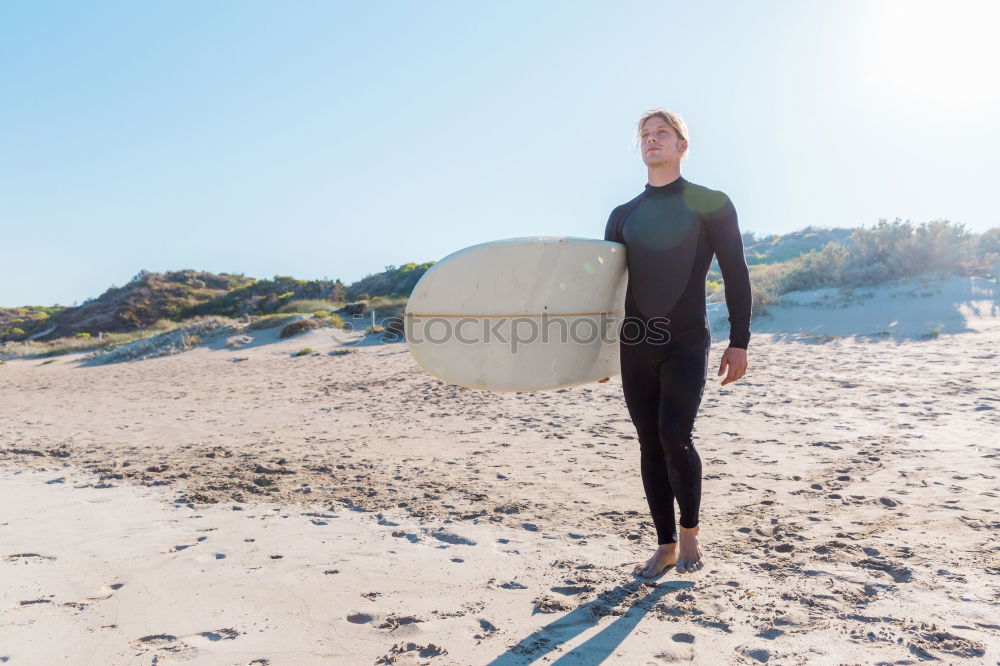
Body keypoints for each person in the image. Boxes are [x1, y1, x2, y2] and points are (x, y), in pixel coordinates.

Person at [602, 109, 752, 576]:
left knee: (674, 435)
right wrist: (596, 352)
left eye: (662, 133)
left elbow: (735, 273)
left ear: (681, 146)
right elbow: (605, 288)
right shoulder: (623, 215)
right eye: (645, 135)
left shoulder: (711, 203)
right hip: (635, 343)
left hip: (686, 339)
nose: (652, 140)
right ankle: (665, 545)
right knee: (649, 442)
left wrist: (739, 341)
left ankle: (690, 535)